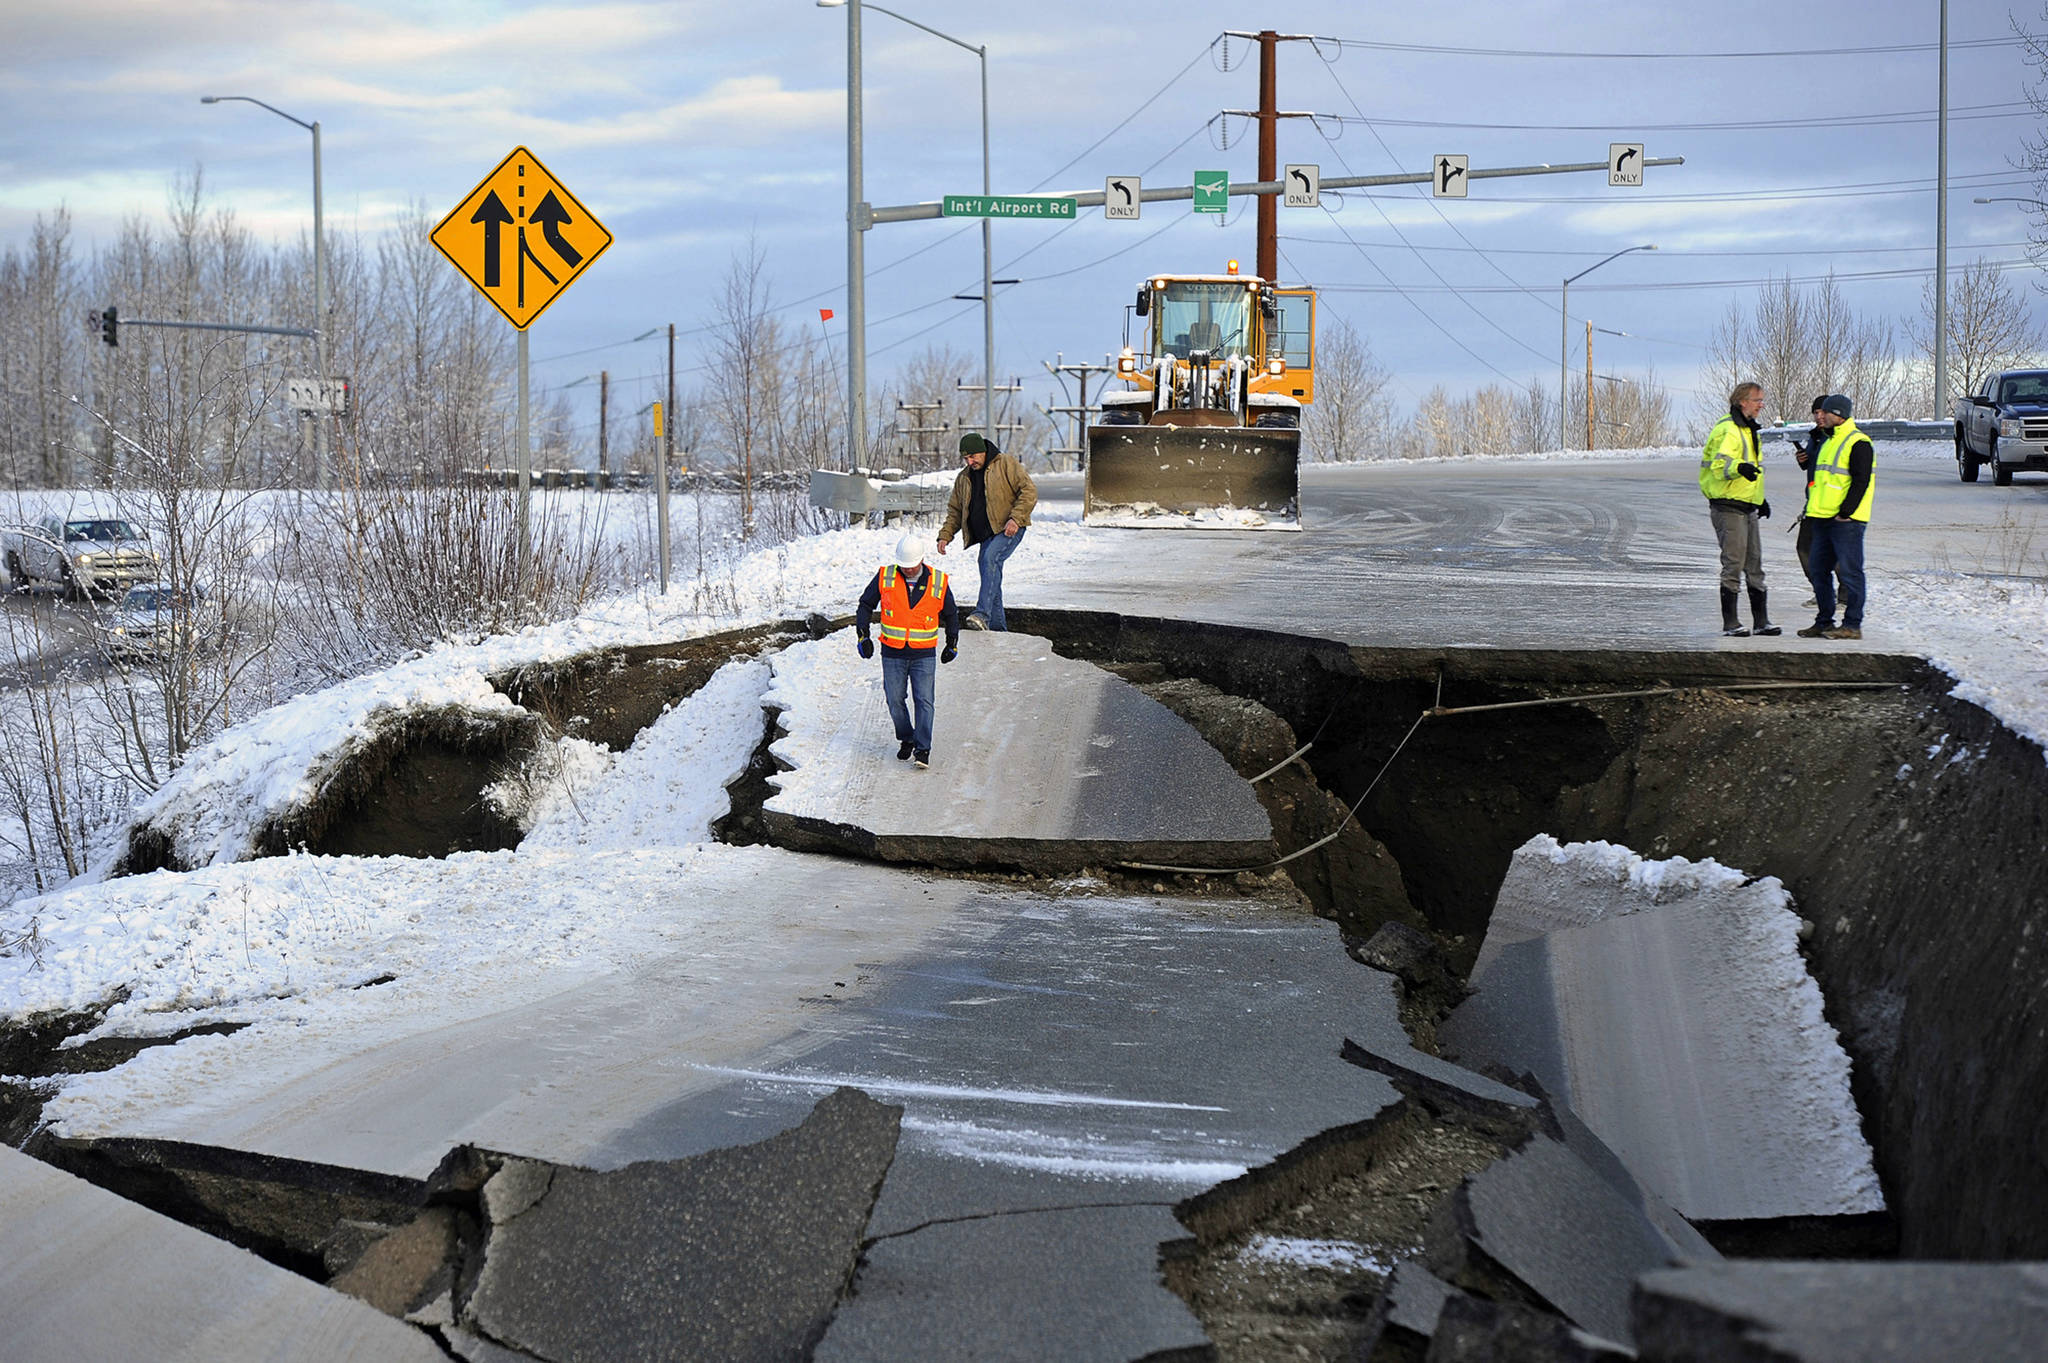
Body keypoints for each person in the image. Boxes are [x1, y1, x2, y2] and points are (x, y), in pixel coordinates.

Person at [855, 533, 960, 770]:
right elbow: (865, 604)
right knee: (894, 699)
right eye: (904, 566)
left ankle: (923, 750)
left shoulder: (938, 581)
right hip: (892, 653)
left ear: (921, 560)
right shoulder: (886, 576)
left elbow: (951, 613)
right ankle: (907, 737)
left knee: (924, 700)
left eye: (911, 566)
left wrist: (952, 642)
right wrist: (863, 635)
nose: (908, 570)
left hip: (923, 654)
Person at [1698, 381, 1780, 637]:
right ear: (1743, 401)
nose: (1761, 405)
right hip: (1727, 506)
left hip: (1747, 506)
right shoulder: (1729, 430)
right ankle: (1731, 623)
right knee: (1733, 563)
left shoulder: (1748, 430)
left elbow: (1754, 473)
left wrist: (1760, 500)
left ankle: (1761, 621)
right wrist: (1738, 468)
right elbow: (1719, 466)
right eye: (1758, 400)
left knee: (1754, 563)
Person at [937, 431, 1037, 631]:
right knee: (991, 573)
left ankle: (982, 614)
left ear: (983, 452)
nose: (969, 461)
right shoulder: (964, 478)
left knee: (989, 560)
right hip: (986, 535)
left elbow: (1028, 490)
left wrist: (1015, 518)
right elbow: (955, 511)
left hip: (1009, 528)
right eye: (966, 458)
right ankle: (999, 629)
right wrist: (945, 535)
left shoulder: (1005, 464)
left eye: (973, 456)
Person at [1797, 394, 1874, 641]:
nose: (1821, 417)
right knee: (1819, 570)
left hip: (1846, 521)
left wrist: (1846, 512)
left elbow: (1861, 481)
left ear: (1837, 414)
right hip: (1821, 518)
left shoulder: (1858, 442)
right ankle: (1824, 621)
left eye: (1825, 412)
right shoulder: (1827, 440)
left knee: (1851, 573)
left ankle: (1852, 625)